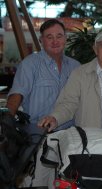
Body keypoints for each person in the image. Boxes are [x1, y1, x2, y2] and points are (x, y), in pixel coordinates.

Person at [37, 30, 102, 186]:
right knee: (97, 184)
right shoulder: (81, 74)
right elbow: (69, 103)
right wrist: (55, 117)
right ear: (95, 49)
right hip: (96, 140)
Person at [6, 19, 80, 188]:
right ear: (41, 41)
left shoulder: (76, 67)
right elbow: (17, 94)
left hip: (70, 137)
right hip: (40, 139)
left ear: (65, 38)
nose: (55, 41)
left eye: (59, 36)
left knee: (68, 183)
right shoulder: (30, 65)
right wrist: (6, 122)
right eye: (49, 37)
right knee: (40, 183)